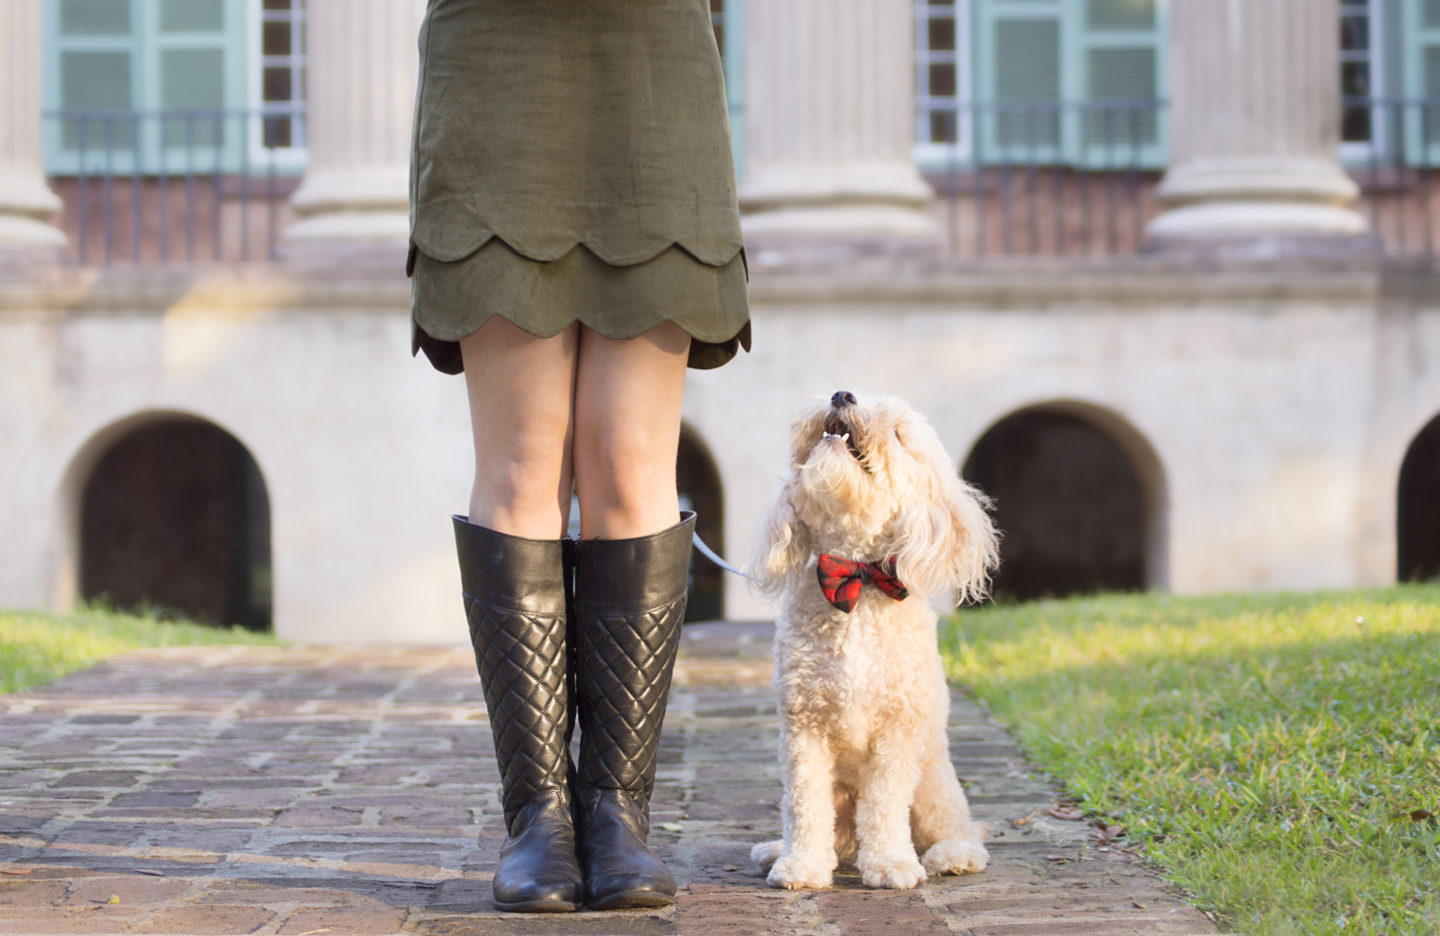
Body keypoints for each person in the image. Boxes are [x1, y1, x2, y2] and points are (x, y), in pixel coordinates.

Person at [405, 0, 750, 915]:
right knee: (523, 466)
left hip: (652, 67)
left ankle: (616, 816)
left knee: (631, 461)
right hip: (498, 66)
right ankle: (538, 820)